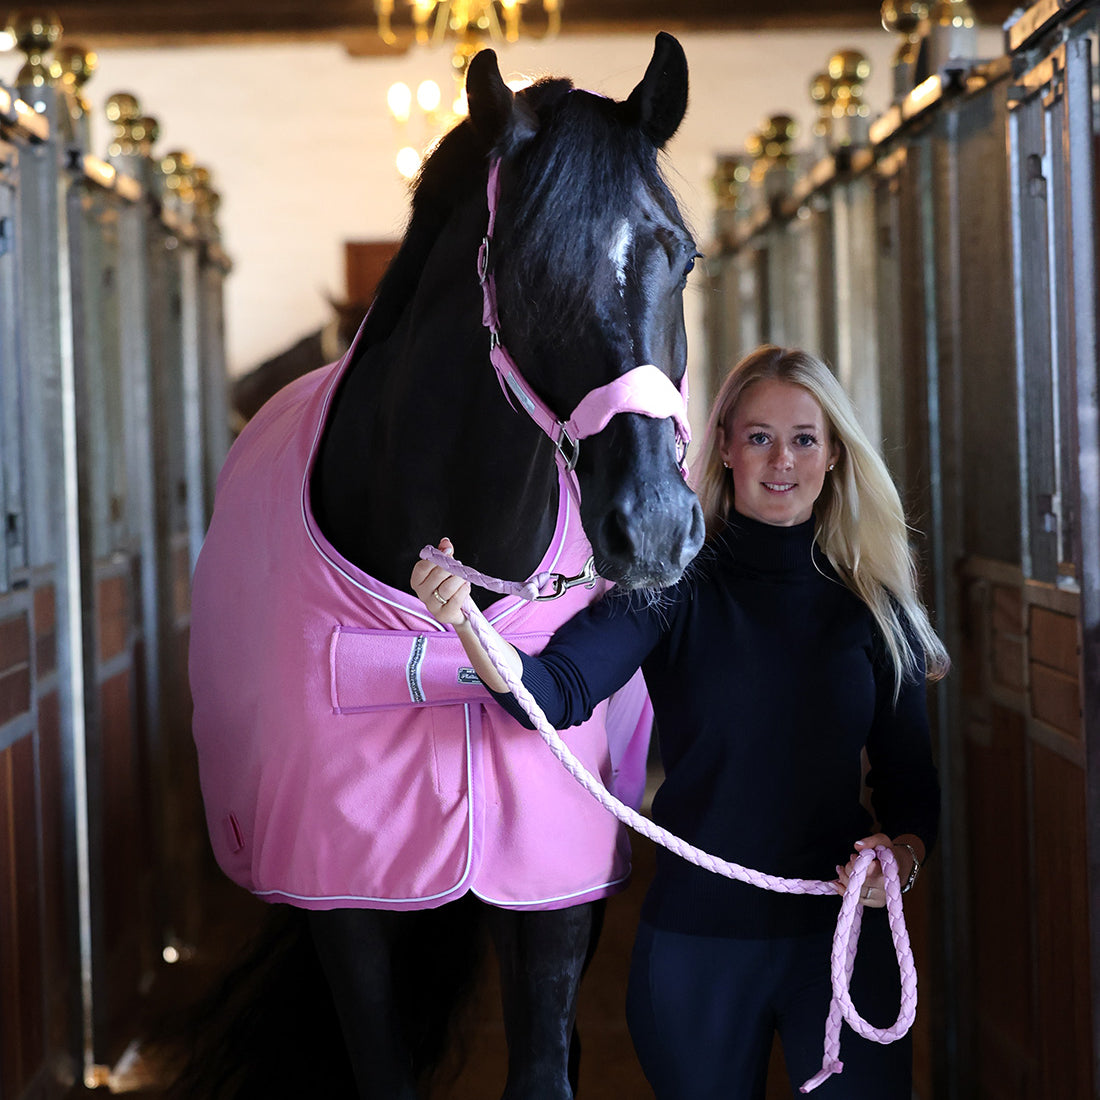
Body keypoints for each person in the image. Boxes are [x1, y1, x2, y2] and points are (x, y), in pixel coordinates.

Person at [410, 344, 949, 1099]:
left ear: (834, 456)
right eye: (759, 436)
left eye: (804, 438)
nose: (781, 460)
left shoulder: (874, 606)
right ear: (724, 446)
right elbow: (554, 694)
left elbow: (909, 783)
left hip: (842, 939)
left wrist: (903, 858)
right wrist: (465, 620)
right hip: (698, 944)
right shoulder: (673, 585)